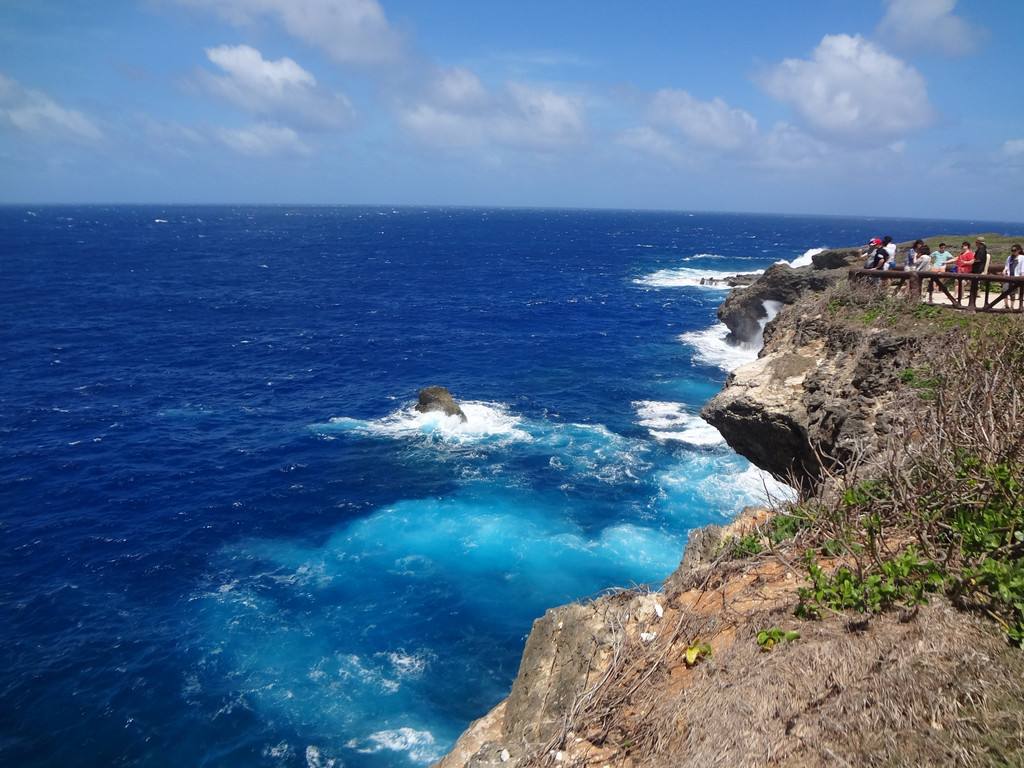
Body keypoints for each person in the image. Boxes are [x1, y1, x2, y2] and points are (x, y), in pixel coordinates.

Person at [1002, 243, 1024, 309]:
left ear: (1019, 250)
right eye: (1012, 250)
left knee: (1012, 293)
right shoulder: (1009, 257)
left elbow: (1023, 267)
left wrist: (1022, 275)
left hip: (1016, 277)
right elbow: (1006, 266)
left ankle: (1012, 306)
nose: (1013, 252)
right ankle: (1006, 305)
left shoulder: (1022, 258)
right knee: (1004, 291)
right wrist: (1004, 270)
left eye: (1014, 250)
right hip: (1008, 276)